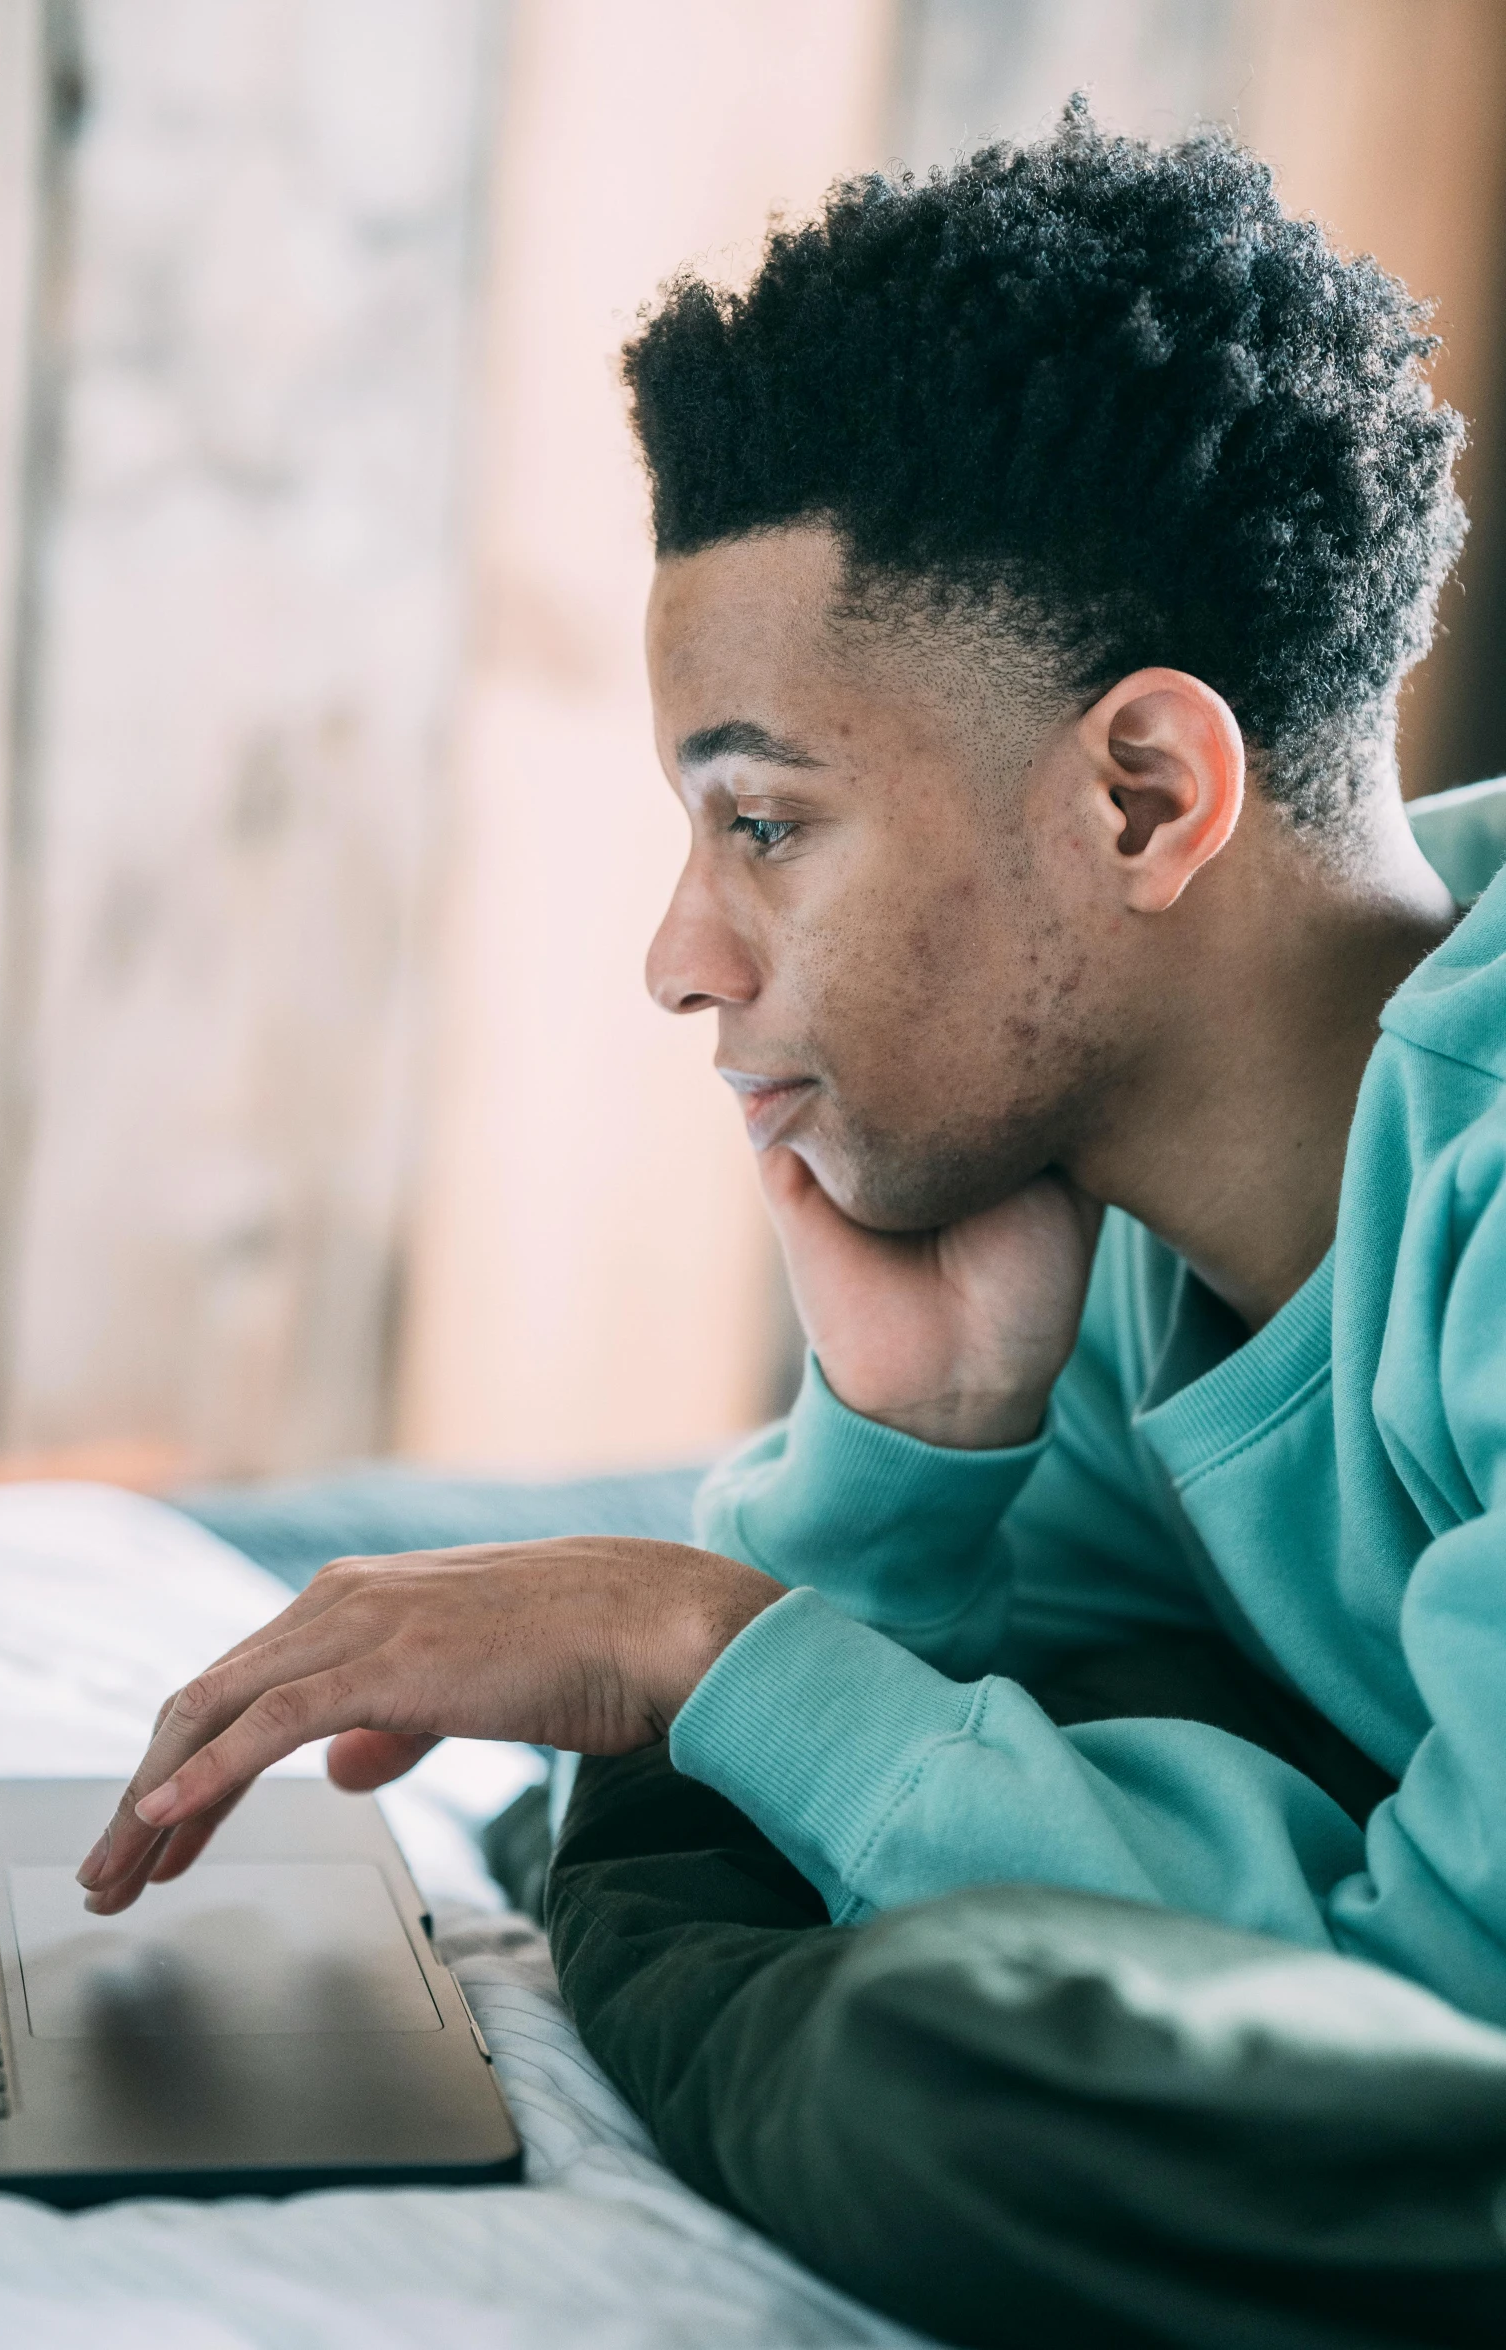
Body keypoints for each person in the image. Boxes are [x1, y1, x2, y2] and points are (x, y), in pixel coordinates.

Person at [78, 109, 1506, 2344]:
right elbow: (932, 1741)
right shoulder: (1152, 1203)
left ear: (1145, 795)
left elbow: (1405, 2078)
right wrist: (910, 1442)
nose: (680, 957)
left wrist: (693, 1636)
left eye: (765, 822)